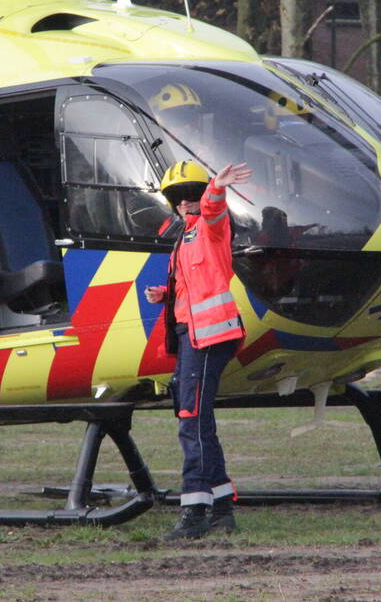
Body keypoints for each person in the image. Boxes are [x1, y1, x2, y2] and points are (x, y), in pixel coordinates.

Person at [144, 159, 253, 540]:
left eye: (193, 195)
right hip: (193, 336)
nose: (188, 203)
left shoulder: (211, 227)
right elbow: (194, 285)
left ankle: (195, 511)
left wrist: (216, 188)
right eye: (180, 198)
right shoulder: (184, 238)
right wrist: (166, 294)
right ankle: (222, 508)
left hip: (208, 337)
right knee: (197, 420)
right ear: (173, 204)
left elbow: (213, 210)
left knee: (191, 419)